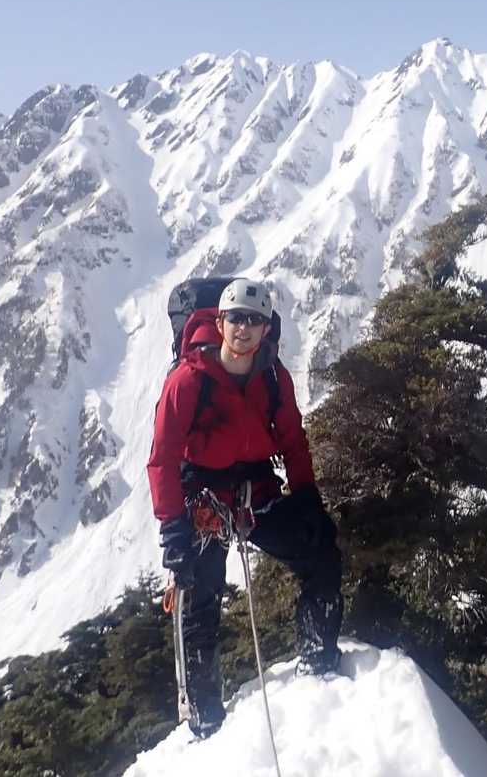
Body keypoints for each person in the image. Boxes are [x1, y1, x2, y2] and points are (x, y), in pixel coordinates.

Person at [146, 277, 343, 737]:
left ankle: (318, 661)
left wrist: (307, 499)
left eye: (254, 320)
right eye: (235, 318)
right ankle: (205, 716)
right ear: (219, 322)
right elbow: (162, 459)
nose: (244, 328)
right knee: (199, 600)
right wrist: (173, 530)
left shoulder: (273, 377)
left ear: (266, 328)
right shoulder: (188, 380)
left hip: (255, 488)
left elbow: (292, 441)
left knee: (321, 553)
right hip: (203, 496)